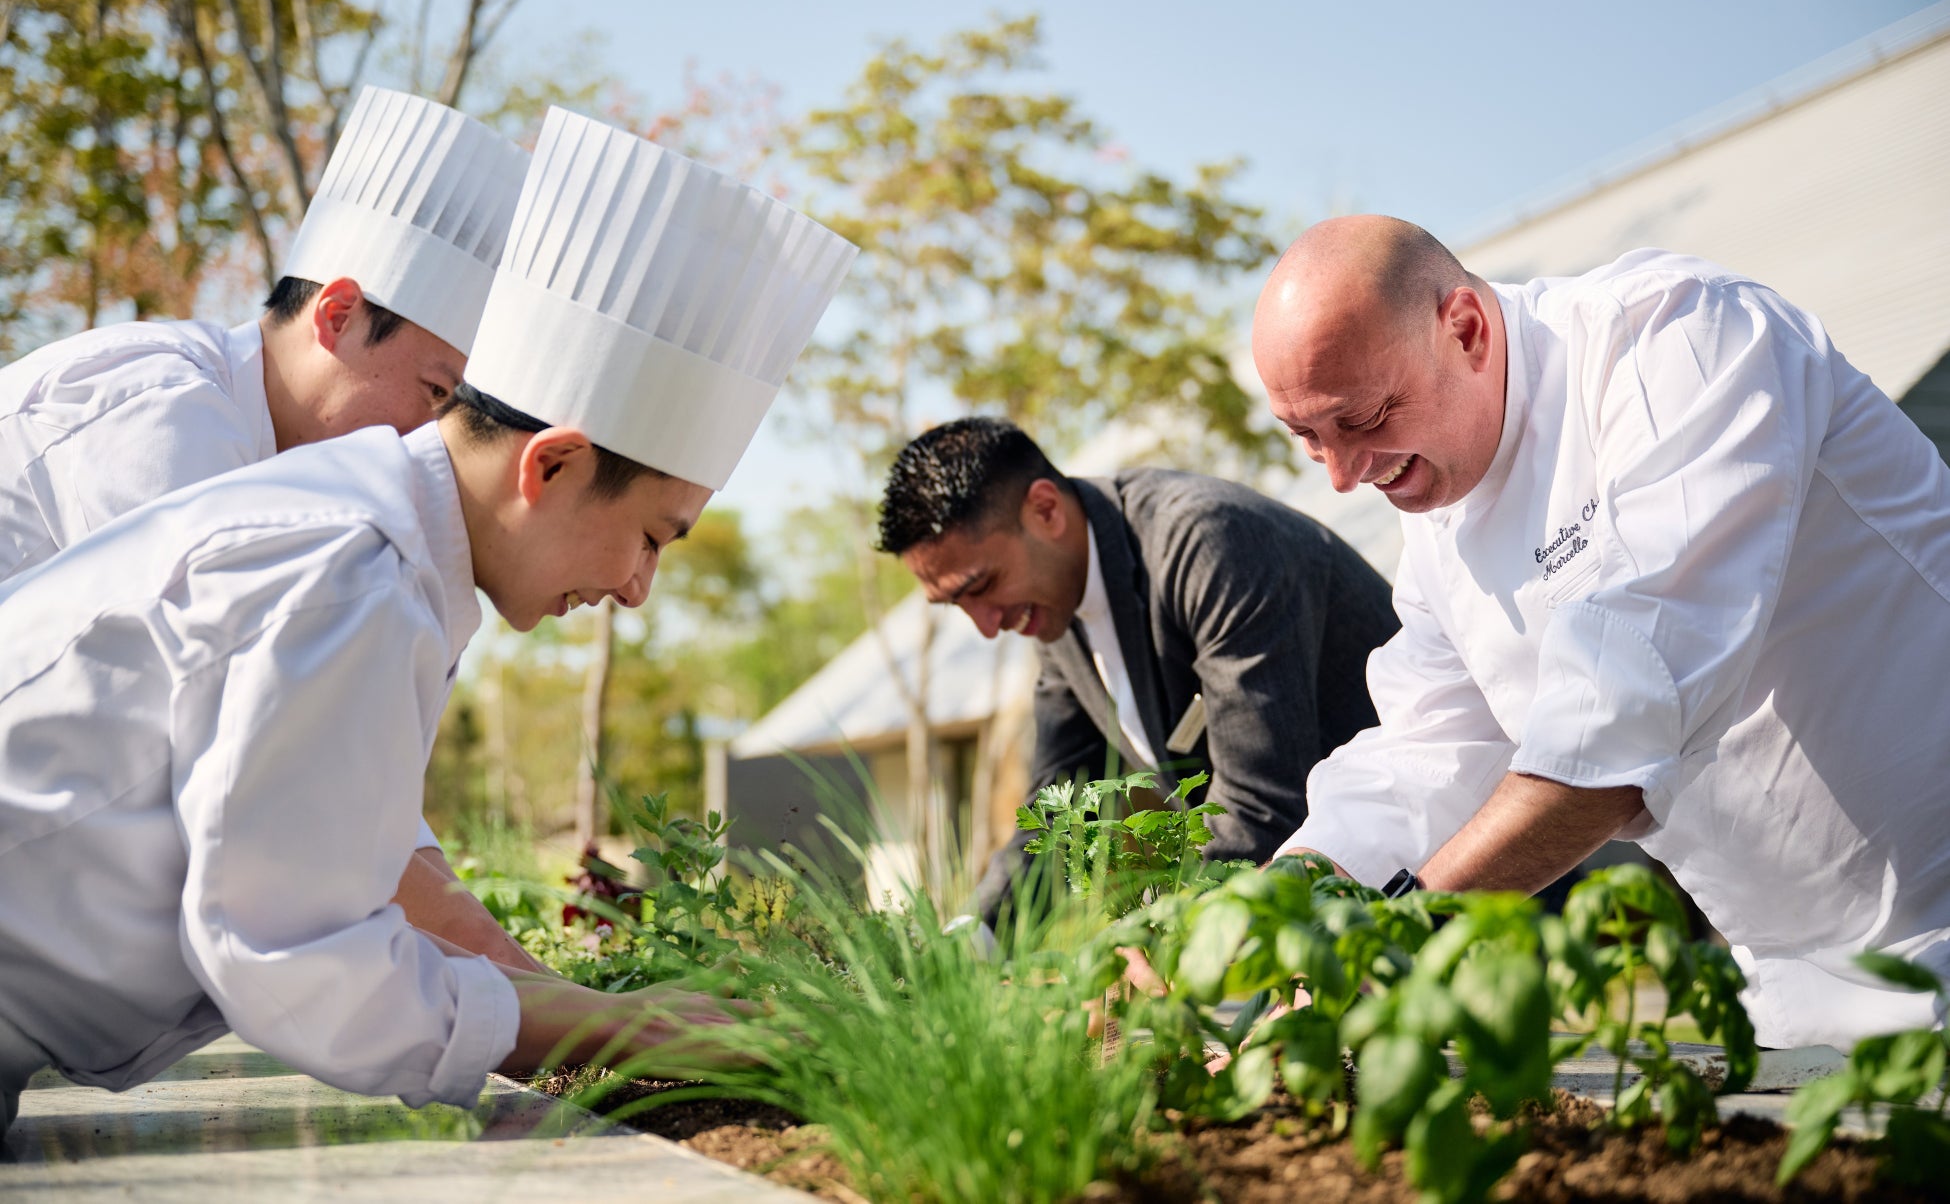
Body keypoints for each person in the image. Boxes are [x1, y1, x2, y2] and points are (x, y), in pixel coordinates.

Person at [0, 106, 858, 1136]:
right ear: (551, 463)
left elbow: (331, 875)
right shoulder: (350, 569)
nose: (639, 589)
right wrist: (621, 1029)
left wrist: (592, 1012)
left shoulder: (372, 541)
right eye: (654, 538)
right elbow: (296, 958)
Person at [1251, 214, 1950, 1049]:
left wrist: (1397, 937)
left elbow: (1622, 720)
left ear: (1465, 330)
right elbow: (1427, 751)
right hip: (1795, 983)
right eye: (1307, 438)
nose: (1341, 476)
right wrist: (1272, 903)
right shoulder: (1439, 516)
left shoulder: (1679, 340)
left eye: (1362, 418)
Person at [0, 86, 540, 971]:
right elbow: (285, 757)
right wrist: (547, 1001)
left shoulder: (313, 507)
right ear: (336, 315)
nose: (435, 440)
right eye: (436, 394)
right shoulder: (160, 413)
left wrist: (527, 985)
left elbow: (350, 783)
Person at [878, 417, 1400, 928]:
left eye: (982, 584)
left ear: (1045, 509)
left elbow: (1260, 805)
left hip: (1419, 872)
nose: (987, 626)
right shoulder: (1055, 611)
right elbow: (1062, 807)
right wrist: (971, 943)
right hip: (1317, 901)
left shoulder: (1209, 543)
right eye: (955, 604)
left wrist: (1151, 941)